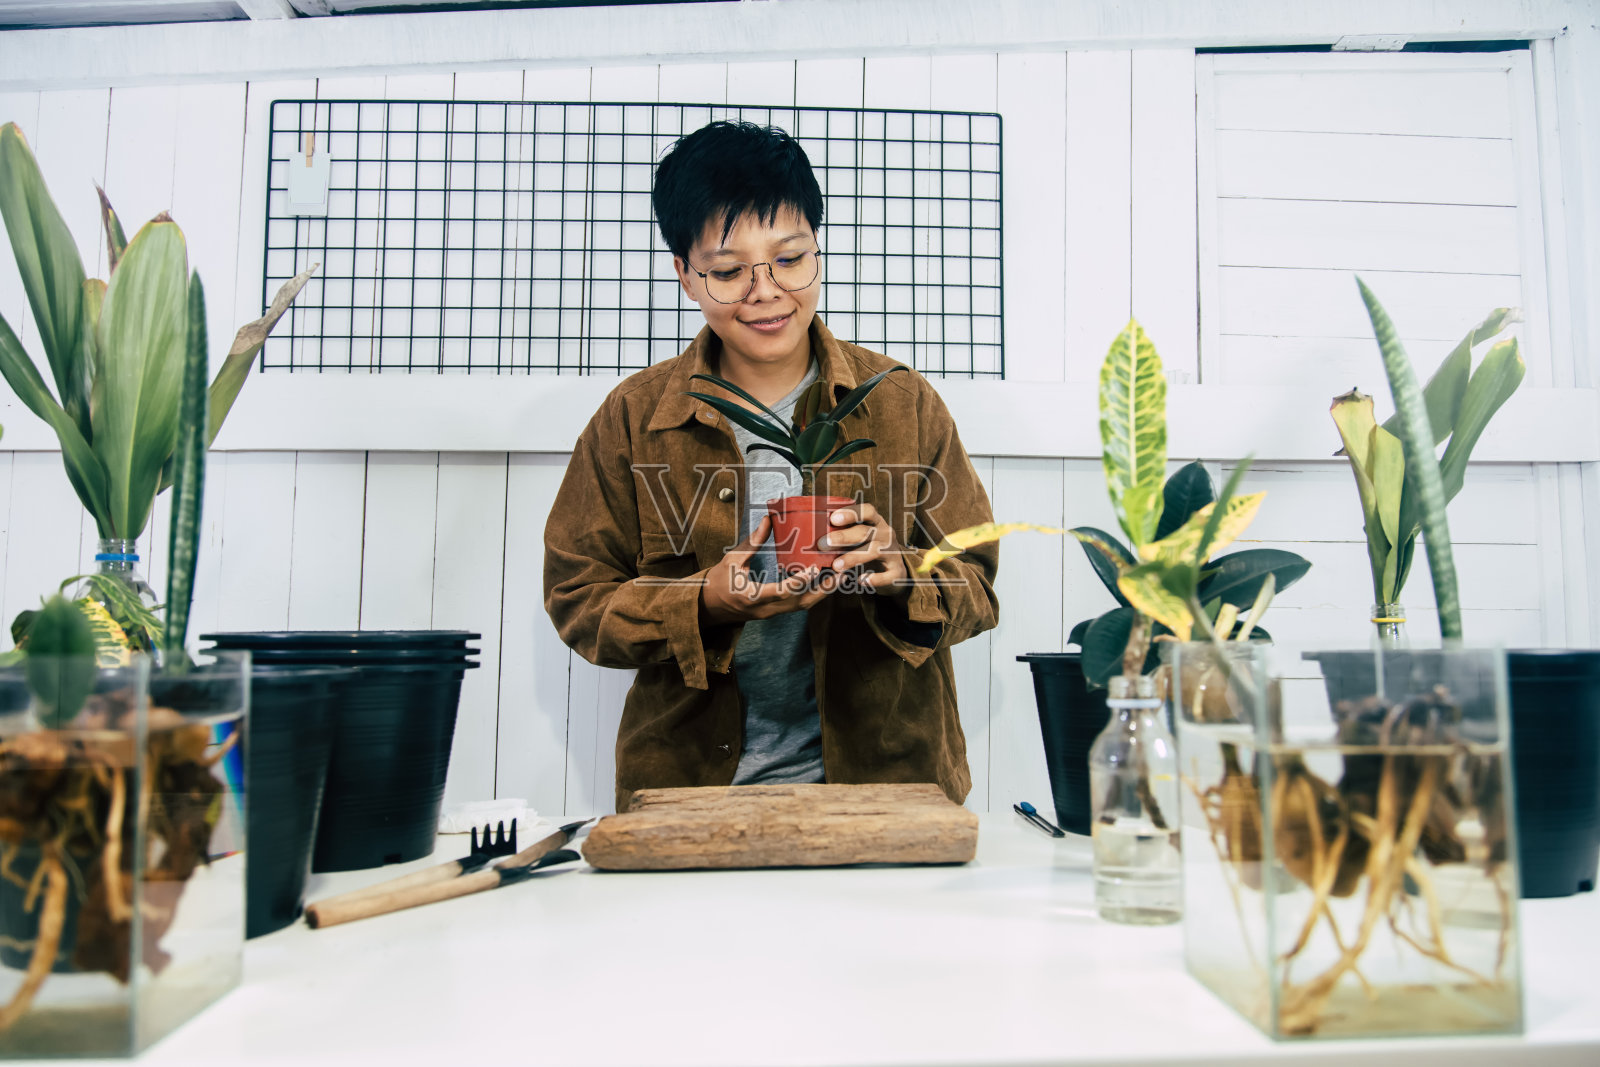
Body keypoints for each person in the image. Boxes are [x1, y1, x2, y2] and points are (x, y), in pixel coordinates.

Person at [543, 120, 998, 811]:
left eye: (789, 259)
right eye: (729, 271)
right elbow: (578, 599)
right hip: (690, 796)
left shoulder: (901, 403)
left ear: (817, 249)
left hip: (886, 792)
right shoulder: (635, 419)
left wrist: (902, 572)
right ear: (685, 274)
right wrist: (703, 599)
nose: (766, 291)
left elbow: (979, 584)